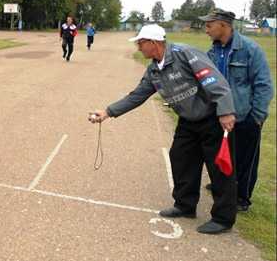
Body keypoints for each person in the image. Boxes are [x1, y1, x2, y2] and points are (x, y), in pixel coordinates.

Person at [89, 24, 237, 234]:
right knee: (180, 159)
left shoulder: (185, 54)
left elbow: (214, 79)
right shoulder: (153, 70)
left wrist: (226, 111)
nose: (139, 48)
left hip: (213, 118)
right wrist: (107, 112)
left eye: (141, 43)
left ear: (154, 43)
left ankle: (223, 218)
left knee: (220, 169)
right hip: (188, 121)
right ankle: (185, 205)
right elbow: (137, 96)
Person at [199, 9, 274, 212]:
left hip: (245, 117)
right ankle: (224, 187)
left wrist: (256, 117)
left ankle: (242, 198)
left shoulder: (250, 49)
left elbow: (264, 85)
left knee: (244, 161)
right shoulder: (212, 52)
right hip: (220, 117)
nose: (206, 29)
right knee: (222, 156)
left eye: (209, 25)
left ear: (223, 25)